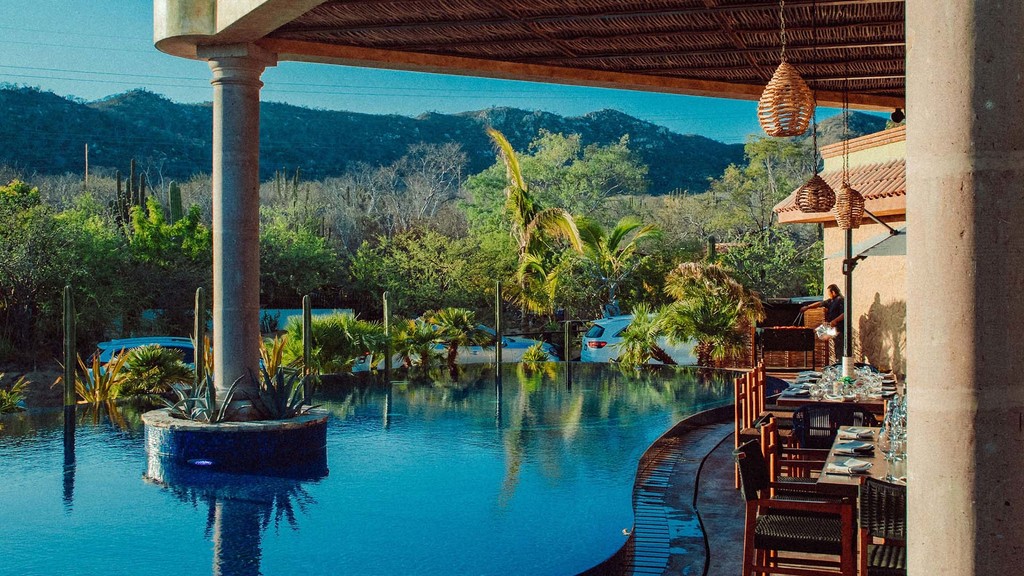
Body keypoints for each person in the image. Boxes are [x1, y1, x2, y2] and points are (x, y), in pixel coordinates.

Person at [801, 284, 845, 363]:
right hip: (832, 327)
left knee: (839, 347)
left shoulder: (840, 300)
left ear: (833, 292)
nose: (828, 294)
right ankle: (838, 362)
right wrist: (807, 307)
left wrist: (835, 321)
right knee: (819, 333)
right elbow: (820, 303)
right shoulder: (830, 301)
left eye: (829, 293)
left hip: (839, 328)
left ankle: (840, 363)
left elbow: (844, 314)